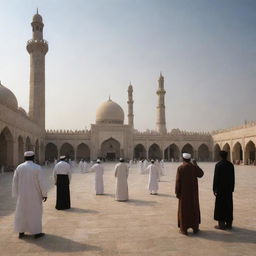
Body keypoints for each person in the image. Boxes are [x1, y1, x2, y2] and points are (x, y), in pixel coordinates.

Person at [12, 151, 47, 239]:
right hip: (35, 195)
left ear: (24, 158)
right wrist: (44, 194)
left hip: (22, 195)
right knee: (35, 213)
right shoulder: (37, 168)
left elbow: (15, 182)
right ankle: (36, 232)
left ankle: (21, 231)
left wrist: (16, 194)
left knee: (22, 212)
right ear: (33, 157)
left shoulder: (19, 167)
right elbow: (41, 182)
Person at [175, 153, 204, 235]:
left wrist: (177, 192)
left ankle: (184, 229)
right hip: (193, 194)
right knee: (193, 208)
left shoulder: (180, 168)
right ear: (190, 159)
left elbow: (178, 181)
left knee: (184, 210)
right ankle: (195, 228)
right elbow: (201, 174)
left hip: (184, 194)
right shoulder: (194, 168)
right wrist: (196, 165)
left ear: (183, 159)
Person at [213, 150, 235, 230]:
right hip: (228, 190)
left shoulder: (218, 165)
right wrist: (232, 188)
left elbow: (216, 178)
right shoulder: (230, 165)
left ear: (220, 156)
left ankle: (221, 225)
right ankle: (229, 224)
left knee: (220, 206)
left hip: (220, 190)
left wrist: (214, 189)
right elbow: (233, 178)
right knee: (229, 205)